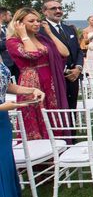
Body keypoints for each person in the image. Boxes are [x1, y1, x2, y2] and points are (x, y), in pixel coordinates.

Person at [6, 8, 69, 139]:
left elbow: (65, 53)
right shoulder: (13, 41)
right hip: (32, 81)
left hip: (50, 79)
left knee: (52, 113)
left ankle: (56, 147)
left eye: (38, 20)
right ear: (19, 23)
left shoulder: (42, 38)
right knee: (36, 114)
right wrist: (23, 35)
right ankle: (39, 152)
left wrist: (50, 34)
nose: (37, 23)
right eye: (31, 21)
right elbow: (32, 54)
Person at [0, 61, 45, 197]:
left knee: (6, 166)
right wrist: (6, 106)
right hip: (2, 110)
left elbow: (7, 84)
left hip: (2, 121)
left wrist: (31, 90)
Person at [41, 0, 84, 109]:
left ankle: (73, 126)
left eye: (60, 8)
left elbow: (78, 50)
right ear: (44, 12)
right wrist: (67, 71)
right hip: (55, 76)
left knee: (72, 107)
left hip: (74, 76)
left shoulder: (69, 29)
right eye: (53, 8)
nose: (58, 11)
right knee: (59, 110)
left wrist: (78, 68)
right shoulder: (41, 31)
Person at [0, 7, 19, 80]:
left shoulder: (6, 28)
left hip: (14, 62)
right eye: (9, 15)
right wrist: (10, 41)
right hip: (4, 63)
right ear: (3, 16)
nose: (11, 18)